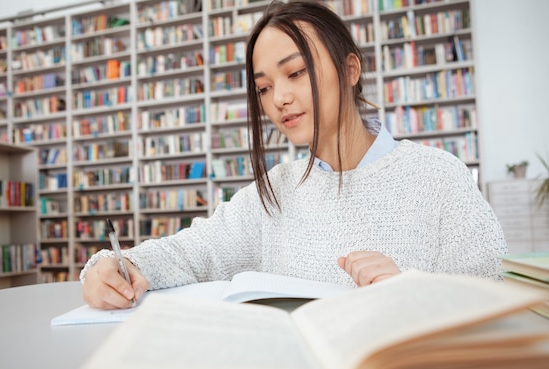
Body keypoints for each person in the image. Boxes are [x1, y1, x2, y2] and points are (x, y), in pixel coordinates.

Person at [80, 0, 508, 310]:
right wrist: (116, 264)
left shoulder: (438, 176)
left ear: (350, 70)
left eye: (297, 72)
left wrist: (412, 291)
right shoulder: (275, 192)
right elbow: (193, 252)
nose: (279, 98)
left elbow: (496, 291)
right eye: (264, 87)